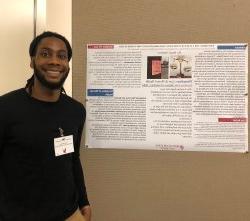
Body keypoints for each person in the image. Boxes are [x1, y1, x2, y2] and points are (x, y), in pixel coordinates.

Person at [0, 31, 91, 221]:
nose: (55, 61)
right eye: (45, 54)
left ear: (67, 64)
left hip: (69, 214)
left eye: (62, 56)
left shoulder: (76, 111)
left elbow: (73, 159)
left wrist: (83, 201)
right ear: (32, 61)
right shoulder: (6, 108)